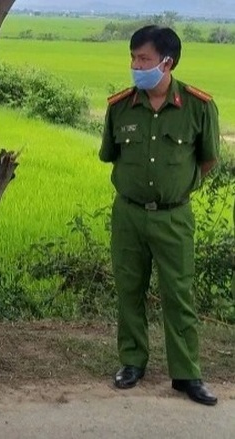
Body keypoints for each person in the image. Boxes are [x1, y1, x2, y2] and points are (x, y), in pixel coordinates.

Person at [99, 25, 219, 406]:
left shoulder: (199, 106)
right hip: (129, 215)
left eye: (144, 59)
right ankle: (132, 362)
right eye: (133, 58)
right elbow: (110, 154)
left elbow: (208, 159)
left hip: (174, 218)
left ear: (167, 62)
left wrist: (178, 190)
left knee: (179, 294)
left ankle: (186, 374)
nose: (136, 66)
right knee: (129, 290)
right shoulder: (120, 106)